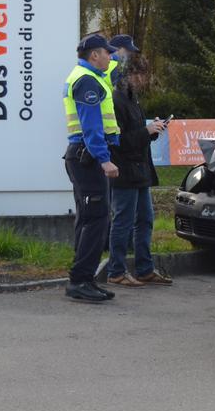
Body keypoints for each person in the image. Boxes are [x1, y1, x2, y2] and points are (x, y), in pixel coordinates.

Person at [105, 34, 172, 287]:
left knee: (145, 219)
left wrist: (153, 131)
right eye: (139, 75)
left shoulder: (133, 100)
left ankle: (145, 268)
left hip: (140, 170)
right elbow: (118, 141)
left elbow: (137, 136)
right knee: (123, 221)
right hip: (125, 171)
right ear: (128, 76)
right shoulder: (117, 100)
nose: (143, 80)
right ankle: (116, 271)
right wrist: (147, 131)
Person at [62, 33, 122, 303]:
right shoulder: (86, 80)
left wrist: (121, 57)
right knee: (97, 219)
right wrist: (104, 158)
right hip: (88, 158)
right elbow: (91, 126)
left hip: (82, 157)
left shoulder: (89, 75)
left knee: (90, 218)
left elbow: (116, 67)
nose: (110, 57)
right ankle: (80, 280)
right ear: (94, 55)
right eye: (106, 53)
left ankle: (83, 278)